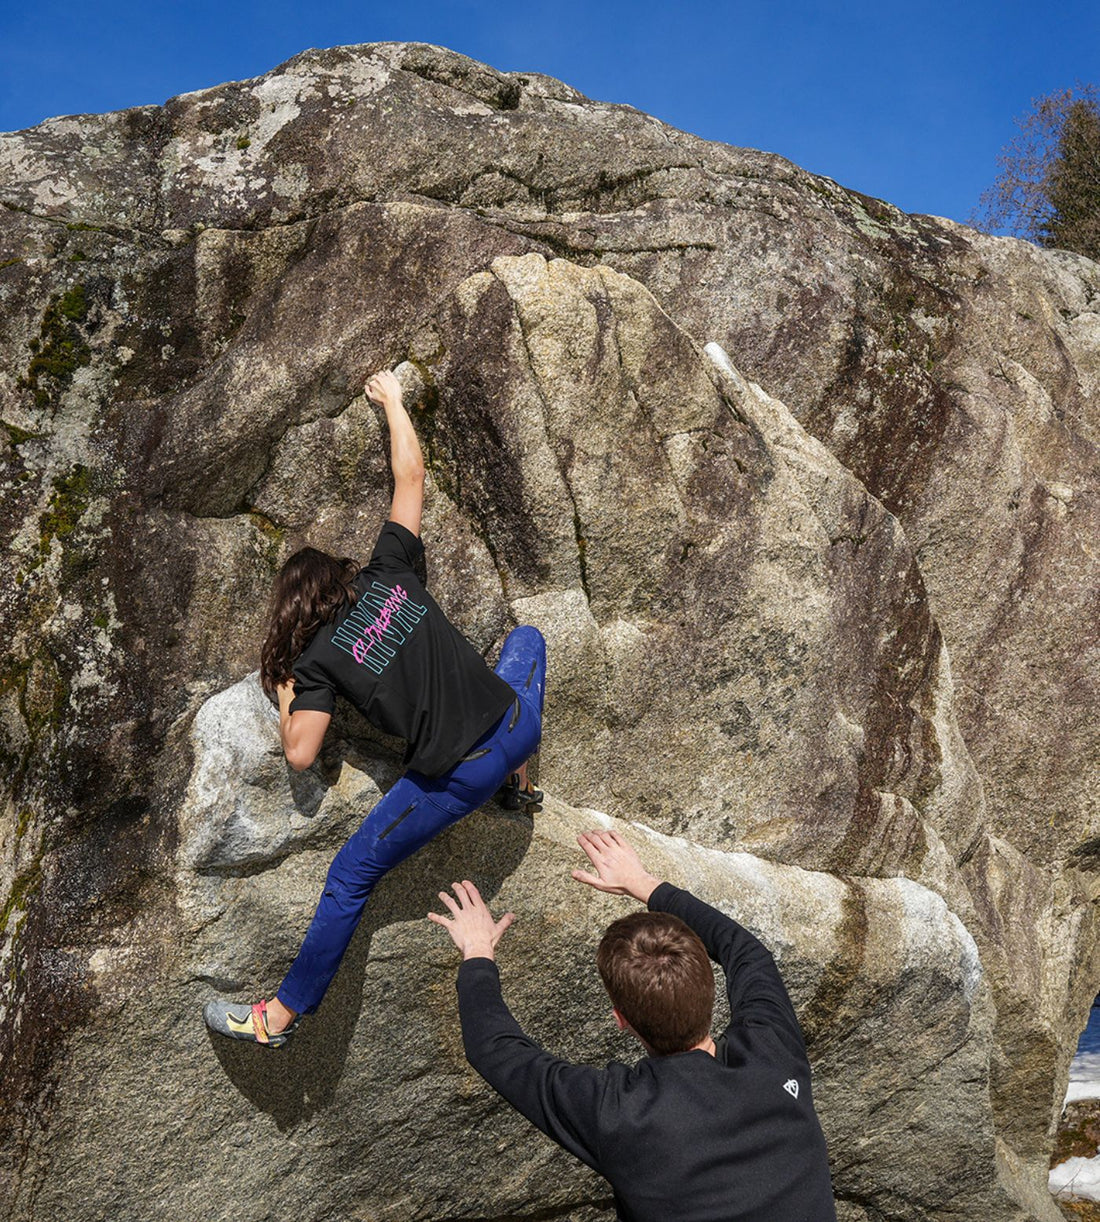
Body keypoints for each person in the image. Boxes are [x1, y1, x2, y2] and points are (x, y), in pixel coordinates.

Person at [205, 369, 546, 1047]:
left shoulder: (318, 662)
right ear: (339, 578)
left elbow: (301, 752)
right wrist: (392, 400)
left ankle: (279, 1017)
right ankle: (523, 782)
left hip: (462, 773)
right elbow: (411, 478)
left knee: (352, 873)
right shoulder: (389, 573)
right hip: (518, 721)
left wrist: (283, 693)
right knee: (528, 640)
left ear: (294, 615)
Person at [429, 828, 837, 1222]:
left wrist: (478, 947)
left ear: (620, 1020)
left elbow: (493, 1048)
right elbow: (749, 953)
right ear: (712, 985)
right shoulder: (772, 1053)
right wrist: (643, 883)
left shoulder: (621, 1114)